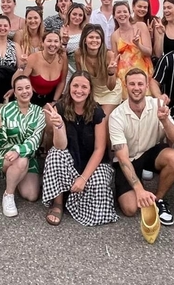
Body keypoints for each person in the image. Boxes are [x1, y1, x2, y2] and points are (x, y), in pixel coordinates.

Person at [41, 72, 117, 227]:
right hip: (69, 159)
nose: (79, 90)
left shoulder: (97, 112)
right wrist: (58, 125)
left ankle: (75, 197)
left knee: (99, 208)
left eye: (84, 87)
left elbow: (99, 149)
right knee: (54, 155)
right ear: (69, 87)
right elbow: (60, 146)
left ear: (89, 90)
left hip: (93, 163)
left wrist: (83, 178)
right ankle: (58, 203)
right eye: (75, 85)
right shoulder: (60, 108)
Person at [109, 69, 174, 226]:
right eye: (132, 84)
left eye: (140, 84)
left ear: (147, 86)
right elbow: (122, 158)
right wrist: (139, 190)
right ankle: (139, 185)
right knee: (130, 209)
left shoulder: (157, 105)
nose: (136, 88)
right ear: (126, 86)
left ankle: (158, 199)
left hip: (150, 153)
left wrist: (165, 121)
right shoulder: (116, 115)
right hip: (129, 159)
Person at [0, 75, 46, 217]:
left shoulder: (39, 112)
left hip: (27, 153)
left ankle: (15, 175)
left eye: (27, 87)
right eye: (20, 89)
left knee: (31, 195)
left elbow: (35, 139)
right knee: (21, 160)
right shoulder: (5, 110)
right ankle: (8, 194)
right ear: (14, 92)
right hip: (4, 153)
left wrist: (18, 150)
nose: (24, 91)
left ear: (32, 89)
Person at [74, 23, 122, 118]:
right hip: (92, 92)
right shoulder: (78, 54)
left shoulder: (109, 55)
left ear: (101, 40)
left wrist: (111, 73)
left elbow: (111, 87)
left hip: (110, 92)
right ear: (84, 40)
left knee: (101, 120)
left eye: (97, 38)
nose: (94, 40)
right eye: (91, 37)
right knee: (86, 118)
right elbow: (81, 79)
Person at [110, 0, 153, 98]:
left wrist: (138, 45)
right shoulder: (114, 36)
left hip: (143, 73)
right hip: (125, 77)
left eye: (125, 11)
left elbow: (149, 52)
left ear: (129, 14)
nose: (122, 14)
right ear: (114, 16)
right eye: (118, 12)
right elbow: (115, 60)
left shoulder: (140, 26)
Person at [19, 30, 68, 106]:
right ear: (42, 43)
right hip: (32, 98)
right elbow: (22, 80)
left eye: (56, 41)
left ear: (60, 44)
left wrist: (54, 102)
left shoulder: (62, 57)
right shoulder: (33, 58)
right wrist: (22, 65)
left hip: (52, 97)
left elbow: (62, 81)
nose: (52, 44)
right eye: (49, 41)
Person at [61, 3, 88, 74]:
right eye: (74, 14)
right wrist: (64, 43)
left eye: (80, 15)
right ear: (69, 15)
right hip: (67, 68)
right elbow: (60, 52)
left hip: (83, 67)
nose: (77, 17)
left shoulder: (85, 31)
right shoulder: (63, 30)